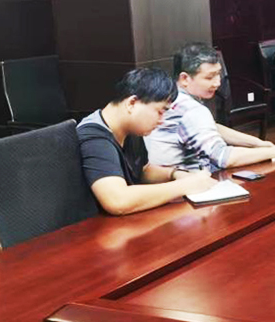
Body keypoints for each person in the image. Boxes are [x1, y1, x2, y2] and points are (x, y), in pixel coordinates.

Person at [77, 68, 217, 215]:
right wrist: (185, 185)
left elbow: (143, 170)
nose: (161, 120)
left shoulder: (129, 128)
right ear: (132, 103)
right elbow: (117, 200)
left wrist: (175, 174)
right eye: (160, 112)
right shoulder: (95, 137)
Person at [147, 43, 275, 171]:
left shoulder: (173, 97)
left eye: (218, 74)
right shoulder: (191, 110)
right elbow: (223, 158)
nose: (217, 83)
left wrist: (258, 143)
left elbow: (212, 127)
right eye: (209, 77)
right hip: (187, 185)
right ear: (185, 78)